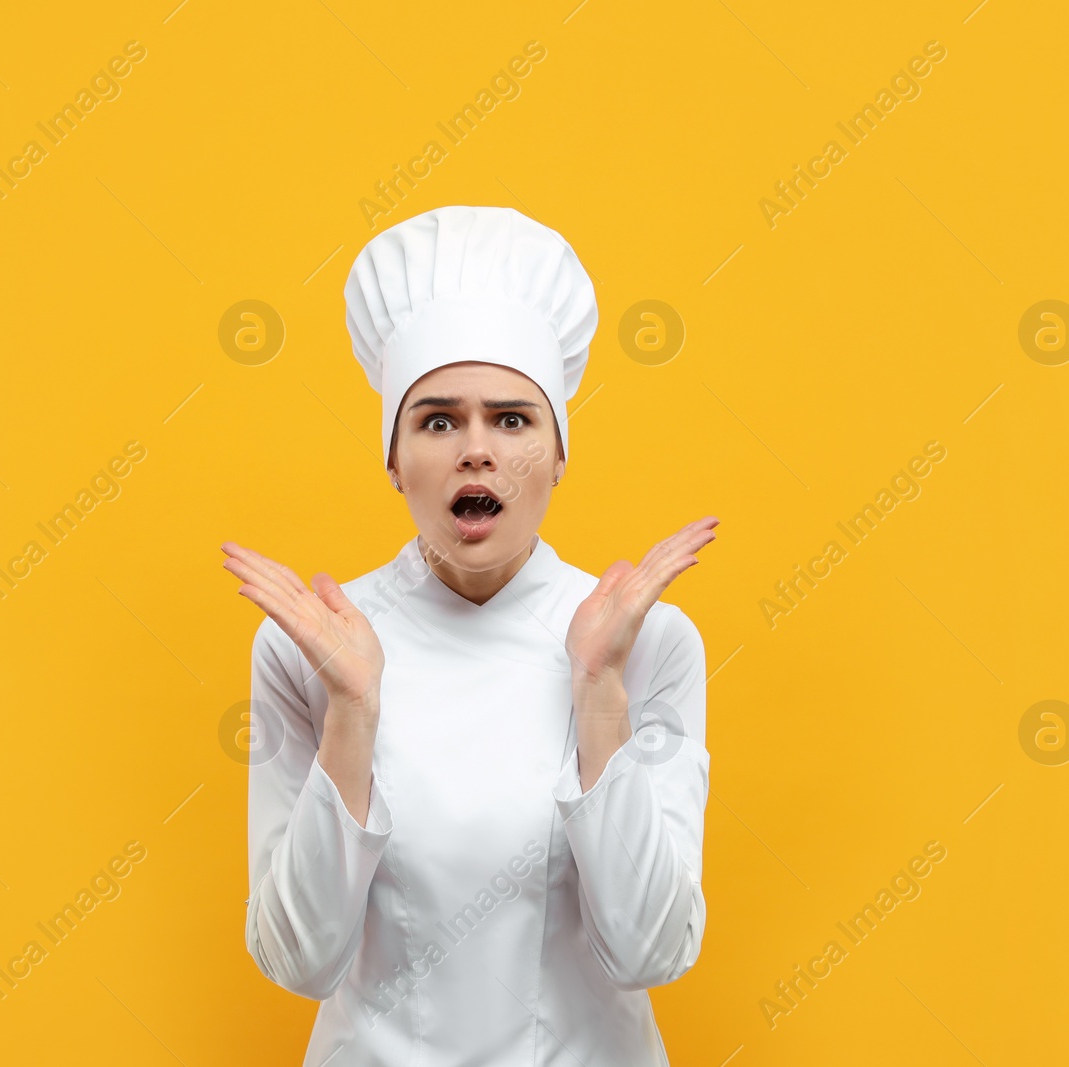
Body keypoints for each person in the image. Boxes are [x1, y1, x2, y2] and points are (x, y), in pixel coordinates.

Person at [222, 205, 718, 1065]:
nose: (476, 451)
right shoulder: (312, 649)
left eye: (514, 419)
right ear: (393, 456)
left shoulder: (653, 641)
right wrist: (352, 707)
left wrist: (600, 690)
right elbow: (300, 961)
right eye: (439, 420)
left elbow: (652, 950)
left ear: (560, 451)